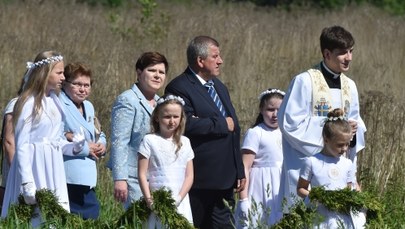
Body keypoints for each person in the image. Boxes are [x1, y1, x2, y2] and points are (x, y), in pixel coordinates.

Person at [278, 25, 366, 209]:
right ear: (327, 54)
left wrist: (352, 130)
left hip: (340, 165)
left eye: (351, 51)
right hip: (310, 167)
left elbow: (356, 122)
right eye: (343, 53)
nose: (349, 58)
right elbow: (290, 123)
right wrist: (332, 127)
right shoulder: (305, 81)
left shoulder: (350, 85)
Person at [165, 35, 245, 229]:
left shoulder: (219, 87)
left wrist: (239, 170)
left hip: (225, 179)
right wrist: (220, 125)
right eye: (215, 56)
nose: (221, 61)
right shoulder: (179, 87)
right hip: (200, 179)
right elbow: (184, 124)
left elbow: (234, 129)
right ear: (200, 61)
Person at [1, 51, 85, 225]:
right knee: (33, 217)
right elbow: (22, 144)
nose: (63, 77)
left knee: (52, 215)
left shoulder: (55, 101)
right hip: (33, 165)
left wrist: (74, 146)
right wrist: (26, 181)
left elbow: (54, 141)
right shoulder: (28, 102)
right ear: (45, 73)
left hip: (52, 166)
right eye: (59, 72)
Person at [107, 52, 168, 208]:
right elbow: (119, 141)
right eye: (152, 70)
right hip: (133, 178)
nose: (157, 76)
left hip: (157, 177)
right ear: (139, 73)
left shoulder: (161, 103)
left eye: (161, 72)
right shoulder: (127, 100)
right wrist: (120, 179)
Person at [138, 94, 194, 227]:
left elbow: (189, 175)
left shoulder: (185, 142)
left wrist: (179, 198)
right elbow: (141, 173)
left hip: (180, 199)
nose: (172, 121)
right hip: (157, 199)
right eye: (167, 117)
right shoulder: (149, 140)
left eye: (176, 117)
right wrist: (149, 200)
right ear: (157, 117)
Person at [60, 62, 107, 219]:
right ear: (65, 83)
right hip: (69, 174)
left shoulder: (89, 106)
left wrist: (102, 145)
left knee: (90, 217)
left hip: (88, 175)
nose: (83, 89)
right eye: (77, 84)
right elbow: (56, 137)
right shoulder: (59, 103)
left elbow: (97, 131)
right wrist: (87, 148)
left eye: (87, 85)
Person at [297, 108, 358, 228]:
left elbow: (351, 188)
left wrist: (355, 197)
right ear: (326, 140)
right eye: (340, 145)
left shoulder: (347, 163)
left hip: (342, 218)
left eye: (347, 144)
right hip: (319, 218)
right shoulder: (312, 162)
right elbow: (300, 189)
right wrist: (314, 197)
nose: (345, 149)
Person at [235, 88, 285, 228]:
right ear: (261, 109)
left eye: (279, 109)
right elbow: (245, 167)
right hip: (260, 187)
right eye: (270, 109)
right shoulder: (256, 133)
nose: (275, 114)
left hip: (281, 187)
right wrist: (243, 200)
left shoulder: (286, 133)